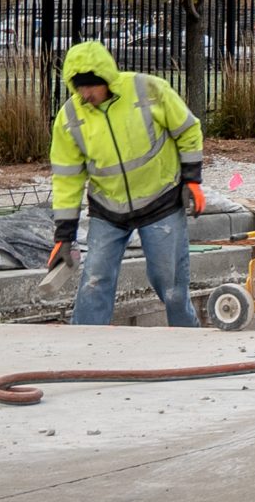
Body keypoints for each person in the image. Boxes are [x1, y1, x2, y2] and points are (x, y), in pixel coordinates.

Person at [45, 40, 206, 327]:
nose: (85, 93)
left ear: (106, 78)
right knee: (95, 281)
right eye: (79, 87)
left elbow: (188, 129)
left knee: (170, 284)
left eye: (90, 86)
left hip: (162, 202)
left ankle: (189, 338)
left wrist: (192, 180)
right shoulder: (70, 118)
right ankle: (84, 348)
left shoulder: (149, 90)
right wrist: (64, 234)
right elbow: (67, 179)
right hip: (108, 210)